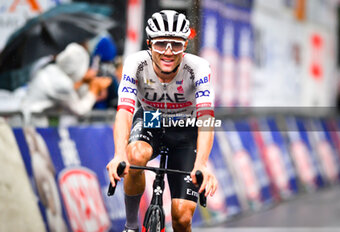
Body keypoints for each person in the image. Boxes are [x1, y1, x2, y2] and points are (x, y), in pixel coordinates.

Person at [106, 10, 218, 232]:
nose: (168, 52)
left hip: (185, 126)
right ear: (149, 44)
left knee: (182, 217)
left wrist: (201, 165)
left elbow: (206, 118)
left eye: (176, 45)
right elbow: (125, 111)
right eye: (161, 44)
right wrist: (119, 154)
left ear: (185, 45)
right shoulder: (135, 63)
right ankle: (131, 225)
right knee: (135, 155)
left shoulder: (198, 68)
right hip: (152, 118)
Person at [21, 42, 111, 125]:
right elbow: (79, 110)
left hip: (30, 119)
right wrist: (94, 89)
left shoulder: (52, 70)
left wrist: (84, 81)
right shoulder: (62, 84)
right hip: (32, 123)